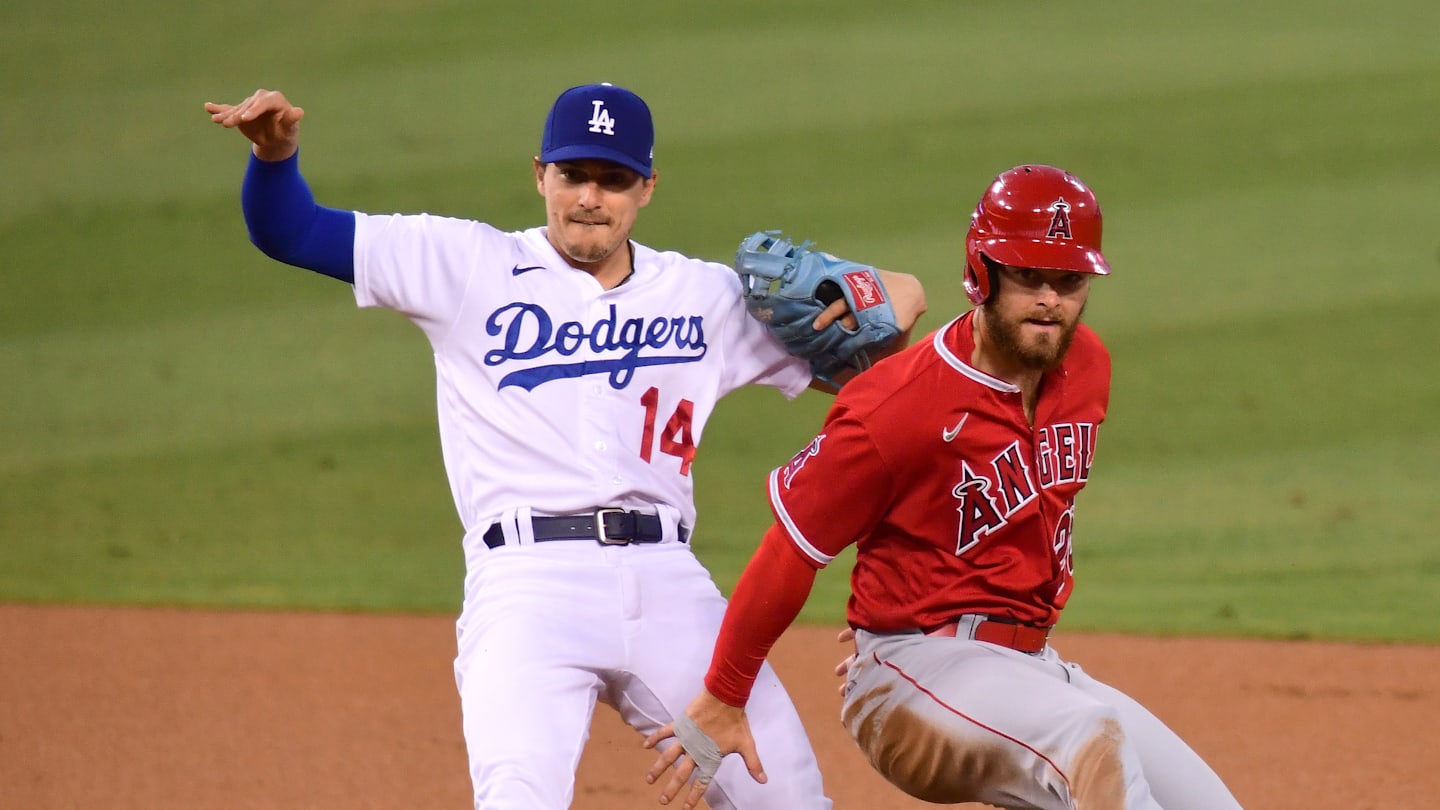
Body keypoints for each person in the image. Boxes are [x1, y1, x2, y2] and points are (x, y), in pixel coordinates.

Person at [204, 83, 925, 809]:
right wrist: (275, 156)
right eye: (574, 175)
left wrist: (864, 291)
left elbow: (889, 356)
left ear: (647, 188)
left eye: (613, 180)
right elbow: (291, 232)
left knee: (790, 797)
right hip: (527, 587)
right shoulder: (463, 264)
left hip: (669, 584)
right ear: (539, 174)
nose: (590, 197)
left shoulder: (707, 295)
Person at [644, 165, 1244, 809]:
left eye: (1068, 281)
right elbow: (790, 550)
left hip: (1033, 668)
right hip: (912, 678)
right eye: (1027, 277)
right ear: (981, 272)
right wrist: (728, 693)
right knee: (1091, 741)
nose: (1049, 299)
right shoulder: (897, 405)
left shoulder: (1086, 367)